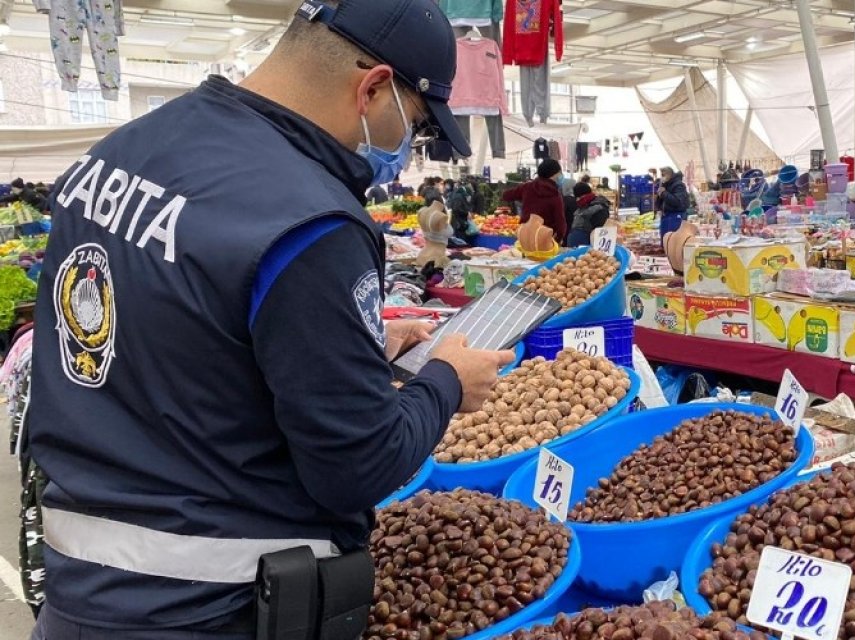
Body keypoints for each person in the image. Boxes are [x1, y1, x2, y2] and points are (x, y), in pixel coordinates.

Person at [22, 0, 515, 636]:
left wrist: (349, 343)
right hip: (209, 607)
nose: (407, 149)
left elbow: (164, 334)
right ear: (372, 88)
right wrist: (446, 380)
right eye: (414, 126)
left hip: (79, 590)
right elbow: (358, 466)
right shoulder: (311, 220)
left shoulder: (122, 151)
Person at [502, 158, 567, 242]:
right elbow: (560, 221)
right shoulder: (555, 195)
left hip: (524, 234)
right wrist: (559, 238)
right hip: (544, 237)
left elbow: (506, 195)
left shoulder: (527, 187)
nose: (561, 175)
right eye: (560, 172)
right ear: (554, 174)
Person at [566, 182, 610, 247]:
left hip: (585, 242)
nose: (577, 199)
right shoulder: (586, 203)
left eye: (578, 197)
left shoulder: (597, 207)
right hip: (580, 240)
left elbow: (598, 229)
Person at [656, 166, 690, 238]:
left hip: (675, 217)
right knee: (665, 241)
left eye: (663, 175)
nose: (662, 177)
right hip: (666, 217)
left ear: (669, 174)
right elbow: (660, 202)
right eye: (661, 175)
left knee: (673, 241)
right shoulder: (665, 185)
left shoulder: (678, 185)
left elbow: (677, 201)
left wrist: (664, 193)